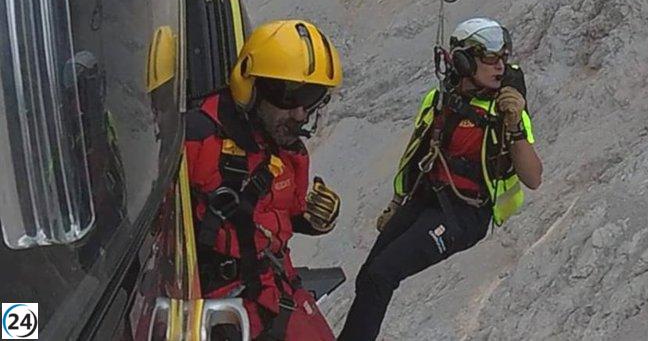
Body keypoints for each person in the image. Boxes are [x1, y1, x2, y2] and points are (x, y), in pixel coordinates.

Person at [338, 17, 543, 341]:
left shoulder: (506, 112)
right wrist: (396, 203)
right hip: (427, 200)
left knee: (381, 275)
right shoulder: (439, 102)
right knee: (368, 277)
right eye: (490, 58)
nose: (500, 66)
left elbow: (533, 177)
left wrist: (515, 126)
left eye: (503, 57)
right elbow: (415, 154)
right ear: (462, 60)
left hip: (465, 214)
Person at [185, 19, 343, 340]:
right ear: (252, 87)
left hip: (275, 290)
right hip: (220, 302)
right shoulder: (196, 140)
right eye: (289, 96)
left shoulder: (288, 150)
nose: (300, 114)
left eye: (311, 98)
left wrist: (314, 220)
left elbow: (286, 214)